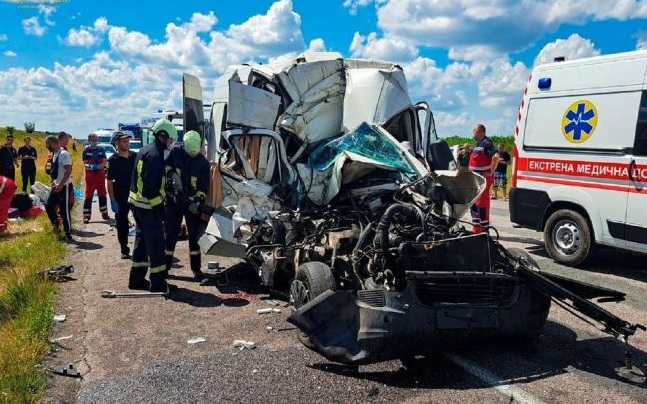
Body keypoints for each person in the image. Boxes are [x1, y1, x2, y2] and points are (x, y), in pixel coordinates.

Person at [128, 119, 177, 293]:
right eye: (170, 140)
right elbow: (151, 188)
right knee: (156, 245)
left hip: (137, 204)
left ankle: (136, 279)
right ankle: (158, 284)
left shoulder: (144, 150)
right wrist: (161, 211)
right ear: (162, 136)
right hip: (148, 207)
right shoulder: (156, 156)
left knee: (141, 243)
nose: (171, 144)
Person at [164, 130, 210, 283]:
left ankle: (196, 270)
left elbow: (204, 188)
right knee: (170, 235)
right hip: (174, 202)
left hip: (191, 205)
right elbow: (165, 169)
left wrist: (196, 201)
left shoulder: (203, 163)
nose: (192, 156)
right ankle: (165, 268)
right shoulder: (175, 152)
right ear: (183, 145)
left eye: (194, 154)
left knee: (194, 238)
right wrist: (172, 177)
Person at [107, 132, 137, 259]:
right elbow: (109, 181)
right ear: (116, 143)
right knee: (122, 224)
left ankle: (142, 248)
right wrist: (113, 200)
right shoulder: (113, 160)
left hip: (136, 195)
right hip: (121, 196)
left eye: (127, 141)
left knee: (142, 222)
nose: (127, 143)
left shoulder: (135, 157)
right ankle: (124, 249)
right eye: (123, 141)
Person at [468, 123, 500, 233]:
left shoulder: (487, 143)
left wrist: (491, 171)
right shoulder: (479, 144)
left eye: (475, 132)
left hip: (482, 179)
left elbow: (496, 157)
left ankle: (483, 228)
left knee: (482, 204)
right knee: (475, 203)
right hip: (476, 179)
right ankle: (476, 226)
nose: (473, 135)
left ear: (481, 132)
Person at [44, 135, 74, 242]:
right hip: (56, 185)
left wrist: (61, 184)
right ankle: (56, 227)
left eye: (47, 144)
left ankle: (68, 233)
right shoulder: (54, 154)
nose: (46, 146)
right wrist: (53, 181)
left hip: (64, 186)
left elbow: (68, 170)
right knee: (48, 206)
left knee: (63, 210)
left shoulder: (63, 154)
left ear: (53, 142)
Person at [82, 132, 109, 223]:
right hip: (90, 175)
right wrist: (91, 167)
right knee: (88, 195)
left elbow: (104, 161)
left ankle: (104, 213)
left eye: (96, 140)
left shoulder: (101, 149)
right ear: (89, 140)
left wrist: (99, 167)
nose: (94, 141)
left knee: (102, 194)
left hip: (100, 175)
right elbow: (85, 163)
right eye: (93, 140)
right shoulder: (86, 150)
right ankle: (86, 215)